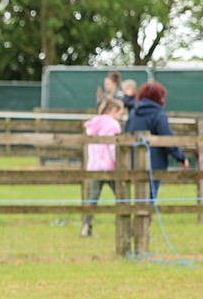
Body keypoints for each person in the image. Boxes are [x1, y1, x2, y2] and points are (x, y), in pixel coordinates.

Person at [123, 80, 189, 201]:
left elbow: (126, 134)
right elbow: (167, 139)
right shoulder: (158, 114)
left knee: (140, 197)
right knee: (149, 199)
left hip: (134, 162)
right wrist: (181, 157)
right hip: (155, 163)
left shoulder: (133, 113)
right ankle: (144, 218)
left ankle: (140, 218)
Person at [80, 98, 124, 237]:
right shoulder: (113, 125)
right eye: (119, 112)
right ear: (112, 111)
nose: (120, 116)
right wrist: (118, 163)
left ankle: (86, 226)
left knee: (92, 198)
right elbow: (112, 146)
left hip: (94, 166)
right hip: (109, 166)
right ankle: (126, 225)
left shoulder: (94, 124)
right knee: (122, 195)